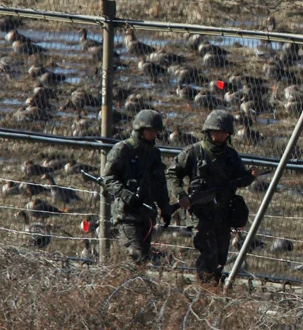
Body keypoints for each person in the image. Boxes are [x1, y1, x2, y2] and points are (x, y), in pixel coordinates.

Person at [166, 110, 256, 284]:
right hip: (201, 213)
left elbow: (240, 180)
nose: (219, 136)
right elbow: (172, 173)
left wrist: (250, 176)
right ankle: (204, 291)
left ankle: (212, 290)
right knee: (208, 255)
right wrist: (180, 194)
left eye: (223, 133)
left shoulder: (231, 155)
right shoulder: (194, 151)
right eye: (216, 132)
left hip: (223, 214)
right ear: (208, 131)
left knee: (221, 259)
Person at [103, 109, 172, 264]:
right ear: (140, 130)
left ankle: (136, 286)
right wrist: (126, 195)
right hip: (126, 215)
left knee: (143, 260)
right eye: (151, 131)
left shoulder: (154, 154)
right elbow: (108, 178)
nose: (154, 135)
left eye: (156, 132)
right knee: (135, 257)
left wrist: (165, 208)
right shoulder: (123, 149)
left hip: (146, 215)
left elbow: (160, 184)